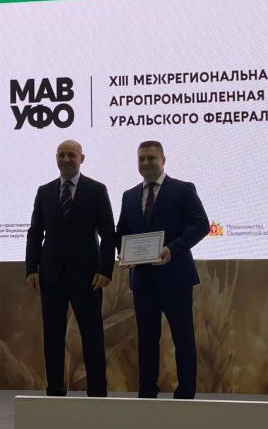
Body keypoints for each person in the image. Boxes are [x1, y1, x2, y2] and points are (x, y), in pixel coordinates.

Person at [116, 140, 209, 399]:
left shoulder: (183, 190)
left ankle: (185, 394)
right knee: (146, 341)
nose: (146, 163)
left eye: (151, 158)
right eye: (141, 159)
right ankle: (147, 393)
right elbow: (122, 232)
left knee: (183, 338)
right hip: (142, 280)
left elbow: (201, 224)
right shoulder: (129, 196)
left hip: (176, 278)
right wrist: (123, 252)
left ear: (163, 160)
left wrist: (173, 249)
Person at [26, 139, 115, 397]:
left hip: (88, 277)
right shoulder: (44, 191)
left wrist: (106, 270)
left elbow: (108, 233)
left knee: (92, 335)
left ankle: (97, 391)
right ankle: (55, 389)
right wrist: (31, 268)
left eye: (71, 155)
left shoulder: (97, 190)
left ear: (81, 159)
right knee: (52, 336)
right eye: (61, 155)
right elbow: (35, 232)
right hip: (51, 275)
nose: (66, 159)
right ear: (56, 158)